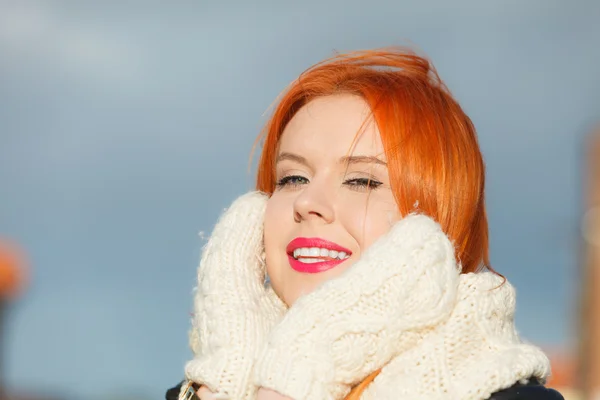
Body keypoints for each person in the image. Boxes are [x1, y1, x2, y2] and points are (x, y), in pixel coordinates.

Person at [166, 48, 564, 400]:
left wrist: (302, 366)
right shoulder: (207, 387)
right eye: (292, 178)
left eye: (362, 180)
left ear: (441, 216)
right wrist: (228, 379)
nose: (307, 202)